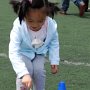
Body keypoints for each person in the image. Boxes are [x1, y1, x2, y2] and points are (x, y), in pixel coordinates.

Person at [9, 0, 60, 90]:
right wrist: (24, 73)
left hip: (39, 53)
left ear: (47, 16)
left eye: (41, 21)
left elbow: (54, 42)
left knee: (39, 71)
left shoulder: (51, 25)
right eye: (30, 21)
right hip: (23, 52)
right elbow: (13, 51)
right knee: (27, 69)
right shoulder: (18, 26)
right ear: (24, 16)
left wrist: (54, 60)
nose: (35, 25)